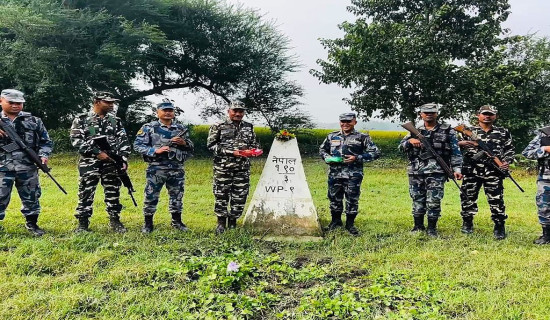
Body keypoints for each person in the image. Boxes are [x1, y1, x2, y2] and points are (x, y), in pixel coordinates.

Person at [70, 91, 131, 233]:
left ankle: (115, 221)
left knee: (113, 191)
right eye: (107, 102)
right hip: (89, 163)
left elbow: (123, 141)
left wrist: (123, 158)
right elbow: (77, 141)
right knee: (86, 192)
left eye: (112, 102)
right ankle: (83, 224)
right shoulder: (82, 119)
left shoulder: (115, 120)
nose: (111, 105)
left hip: (112, 163)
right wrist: (97, 153)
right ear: (97, 102)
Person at [399, 103, 463, 236]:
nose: (429, 114)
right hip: (416, 172)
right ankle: (418, 227)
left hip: (437, 172)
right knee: (417, 198)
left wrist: (457, 169)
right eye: (426, 112)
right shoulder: (414, 130)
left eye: (432, 112)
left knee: (434, 200)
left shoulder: (447, 130)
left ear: (436, 113)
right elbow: (400, 147)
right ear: (421, 114)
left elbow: (455, 152)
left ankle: (432, 229)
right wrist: (409, 142)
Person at [133, 100, 194, 233]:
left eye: (170, 110)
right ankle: (148, 224)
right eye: (164, 110)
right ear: (157, 112)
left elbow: (190, 147)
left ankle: (177, 222)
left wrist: (184, 143)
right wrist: (155, 151)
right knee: (151, 195)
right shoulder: (148, 127)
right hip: (156, 168)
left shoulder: (180, 129)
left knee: (177, 195)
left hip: (176, 168)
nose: (167, 113)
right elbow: (137, 146)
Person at [0, 89, 53, 236]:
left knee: (31, 196)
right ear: (1, 101)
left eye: (19, 103)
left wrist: (43, 155)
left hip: (27, 166)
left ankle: (32, 224)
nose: (16, 105)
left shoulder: (34, 121)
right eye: (12, 102)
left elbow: (46, 142)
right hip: (2, 167)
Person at [457, 105, 514, 239]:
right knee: (468, 197)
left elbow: (510, 149)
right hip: (471, 170)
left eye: (490, 114)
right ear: (478, 115)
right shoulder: (467, 131)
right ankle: (467, 223)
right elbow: (454, 148)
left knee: (496, 199)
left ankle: (499, 226)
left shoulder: (503, 132)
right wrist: (462, 143)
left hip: (494, 171)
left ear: (495, 116)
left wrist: (506, 162)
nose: (487, 116)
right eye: (484, 114)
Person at [319, 112, 380, 236]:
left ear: (354, 122)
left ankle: (350, 224)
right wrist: (327, 157)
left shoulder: (362, 137)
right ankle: (335, 222)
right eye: (343, 121)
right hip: (335, 174)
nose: (345, 124)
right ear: (340, 122)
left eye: (348, 121)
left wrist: (357, 157)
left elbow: (375, 153)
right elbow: (322, 149)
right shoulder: (332, 136)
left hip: (353, 174)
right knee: (334, 197)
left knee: (352, 199)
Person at [206, 101, 261, 234]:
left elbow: (253, 144)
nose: (237, 113)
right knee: (221, 194)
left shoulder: (249, 127)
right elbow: (211, 145)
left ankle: (233, 221)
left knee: (240, 195)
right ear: (228, 111)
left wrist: (254, 151)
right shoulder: (218, 126)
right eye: (235, 111)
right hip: (223, 167)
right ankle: (221, 222)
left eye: (241, 111)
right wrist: (231, 152)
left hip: (242, 168)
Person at [522, 126, 550, 244]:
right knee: (544, 207)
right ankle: (547, 235)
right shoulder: (544, 135)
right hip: (546, 179)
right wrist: (544, 149)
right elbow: (526, 153)